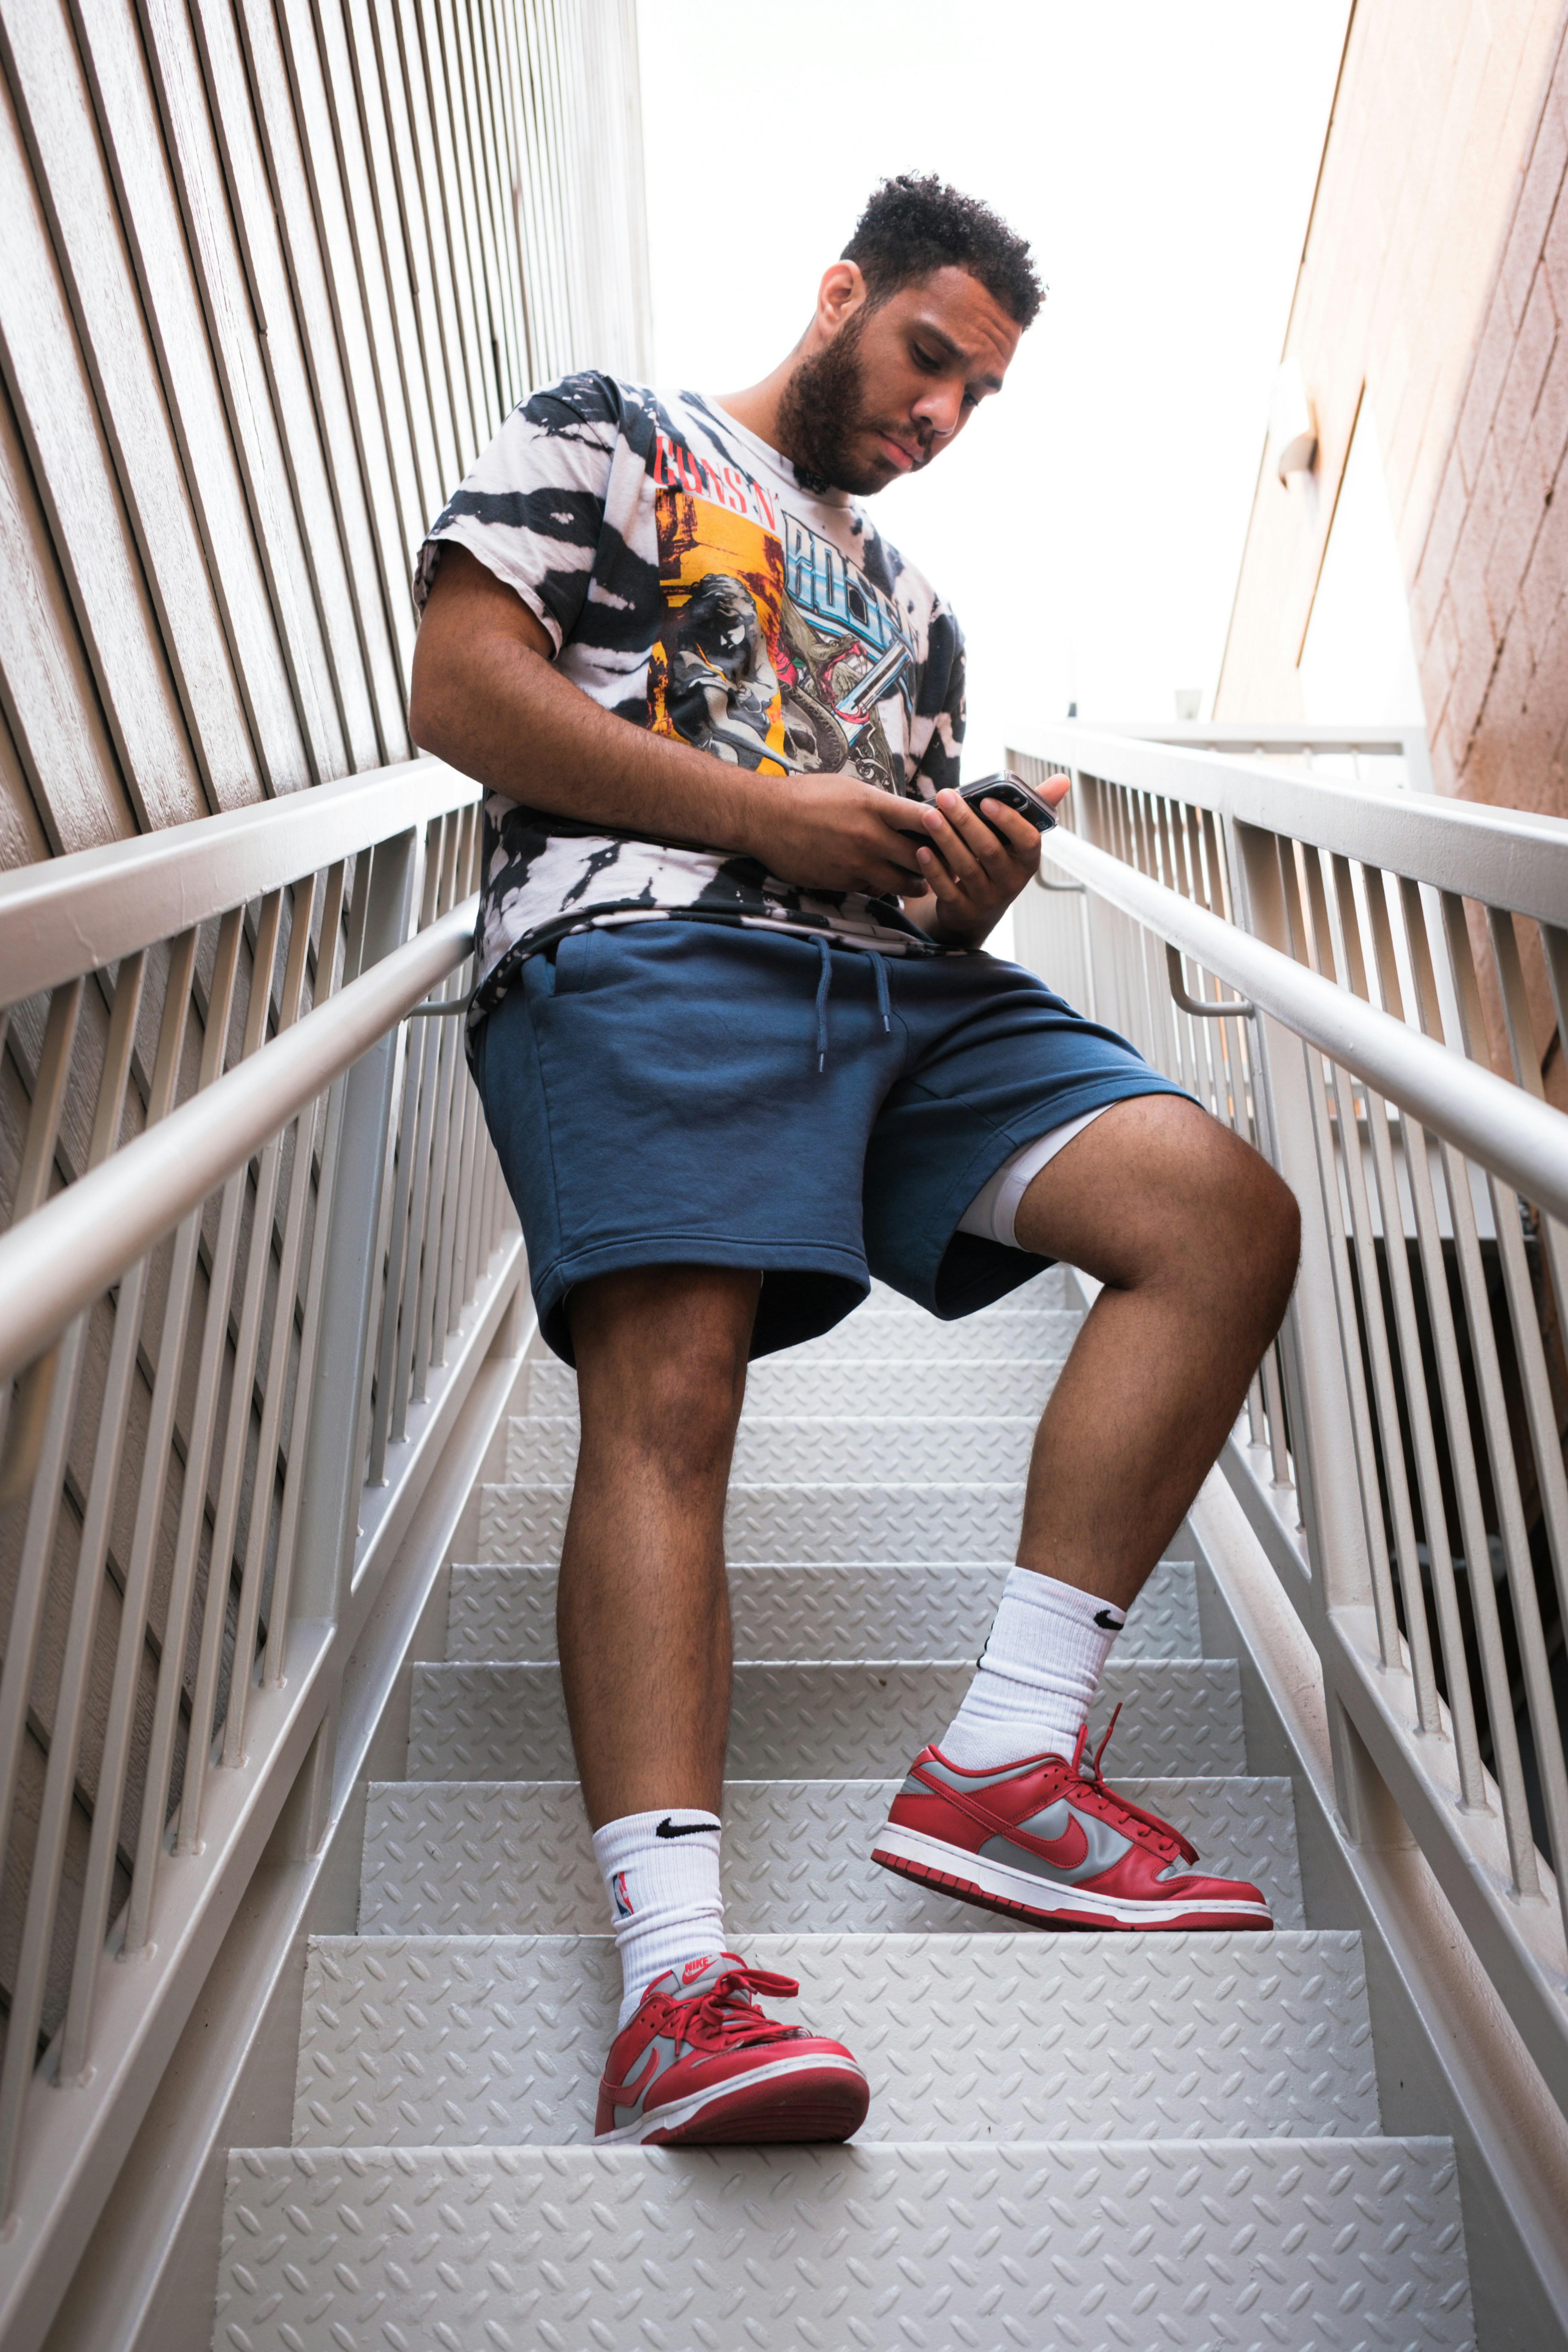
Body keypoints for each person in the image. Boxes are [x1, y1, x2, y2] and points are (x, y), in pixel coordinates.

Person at [409, 174, 1301, 2150]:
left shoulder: (915, 609)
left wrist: (965, 880)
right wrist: (764, 813)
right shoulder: (612, 428)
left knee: (1213, 1212)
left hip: (892, 996)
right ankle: (673, 1988)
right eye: (925, 363)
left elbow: (890, 856)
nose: (937, 422)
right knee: (671, 1392)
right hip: (642, 947)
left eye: (977, 400)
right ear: (840, 294)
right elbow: (463, 691)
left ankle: (1005, 1759)